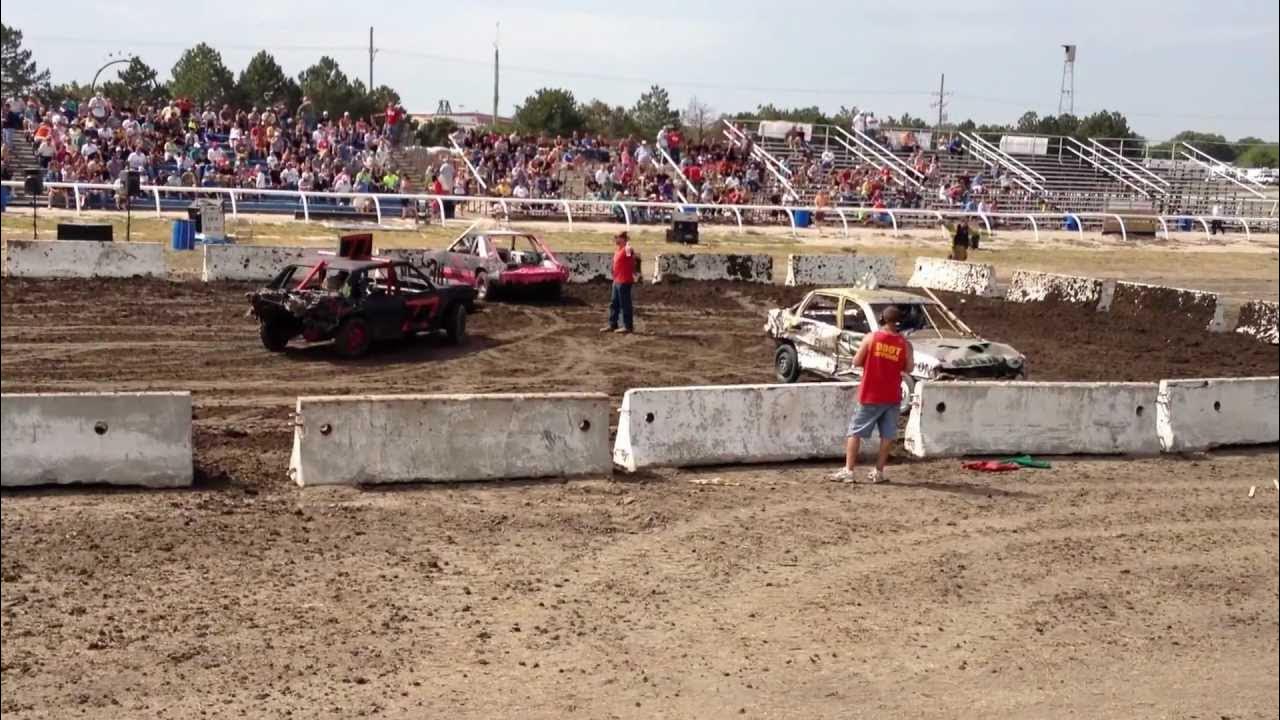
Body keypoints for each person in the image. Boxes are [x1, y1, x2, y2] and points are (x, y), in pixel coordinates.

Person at [831, 306, 913, 484]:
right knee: (887, 435)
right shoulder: (904, 344)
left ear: (882, 319)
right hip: (892, 395)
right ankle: (878, 472)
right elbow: (908, 368)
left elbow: (856, 361)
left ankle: (849, 471)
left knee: (855, 432)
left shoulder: (871, 338)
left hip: (870, 393)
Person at [601, 232, 638, 334]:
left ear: (623, 239)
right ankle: (612, 324)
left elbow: (632, 259)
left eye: (617, 238)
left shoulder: (627, 249)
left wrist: (634, 272)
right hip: (617, 280)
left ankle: (627, 326)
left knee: (624, 304)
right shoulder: (618, 250)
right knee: (614, 303)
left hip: (624, 281)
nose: (615, 240)